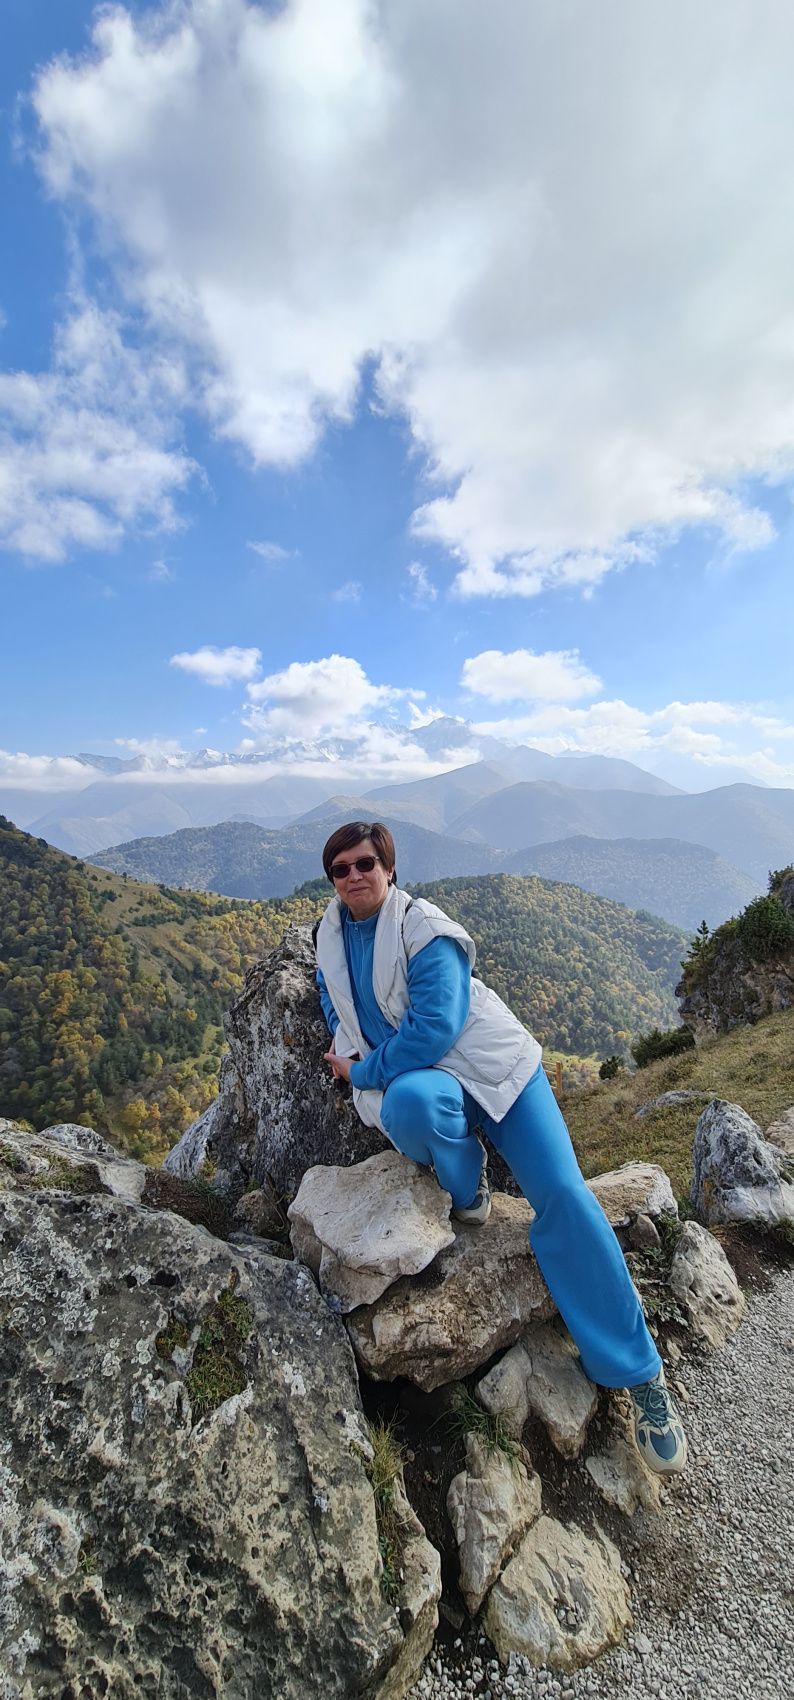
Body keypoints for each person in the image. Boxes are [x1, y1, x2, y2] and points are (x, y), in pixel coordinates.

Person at [314, 820, 686, 1476]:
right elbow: (334, 1004)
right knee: (410, 1106)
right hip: (428, 1082)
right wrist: (346, 1049)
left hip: (497, 1069)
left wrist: (362, 1071)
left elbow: (434, 1029)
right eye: (339, 869)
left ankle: (637, 1372)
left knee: (564, 1197)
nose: (353, 876)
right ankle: (470, 1185)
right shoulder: (329, 938)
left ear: (389, 868)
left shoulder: (425, 929)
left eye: (365, 863)